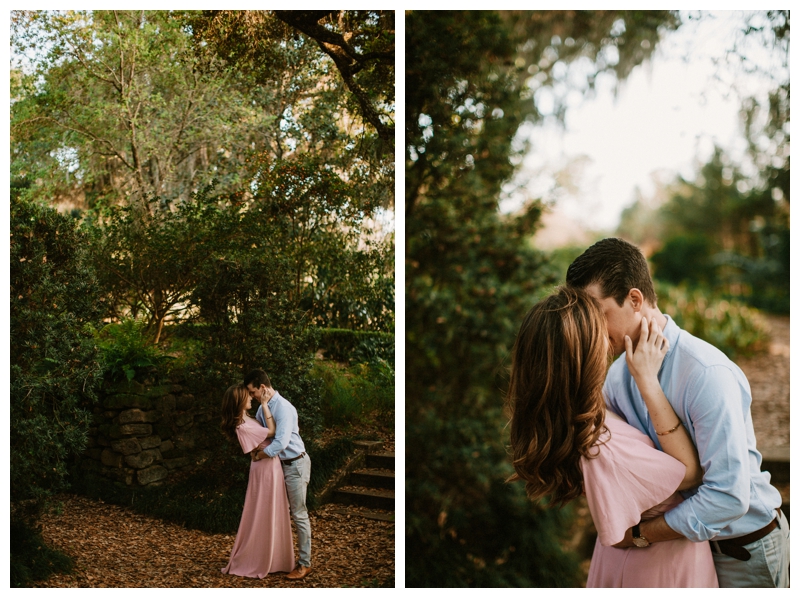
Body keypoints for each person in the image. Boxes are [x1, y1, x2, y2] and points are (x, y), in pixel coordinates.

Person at [566, 237, 789, 588]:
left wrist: (640, 534)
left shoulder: (706, 373)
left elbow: (727, 498)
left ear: (635, 300)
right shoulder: (614, 378)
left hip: (742, 551)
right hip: (680, 555)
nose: (589, 328)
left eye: (597, 313)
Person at [508, 286, 718, 587]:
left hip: (633, 562)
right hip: (658, 568)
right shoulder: (602, 441)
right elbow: (690, 474)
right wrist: (648, 381)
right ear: (583, 357)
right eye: (600, 334)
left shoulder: (574, 418)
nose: (609, 338)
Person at [219, 384, 295, 578]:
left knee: (273, 509)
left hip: (268, 464)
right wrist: (265, 403)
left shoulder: (247, 419)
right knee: (263, 510)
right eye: (247, 396)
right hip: (264, 468)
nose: (250, 398)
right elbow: (272, 431)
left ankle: (275, 557)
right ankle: (259, 557)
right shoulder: (242, 425)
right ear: (239, 401)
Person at [244, 369, 312, 581]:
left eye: (253, 392)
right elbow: (263, 434)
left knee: (298, 513)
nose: (252, 397)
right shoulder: (261, 410)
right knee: (277, 513)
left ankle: (304, 564)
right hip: (277, 467)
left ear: (262, 388)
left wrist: (260, 455)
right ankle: (276, 558)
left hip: (295, 464)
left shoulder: (283, 408)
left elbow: (281, 442)